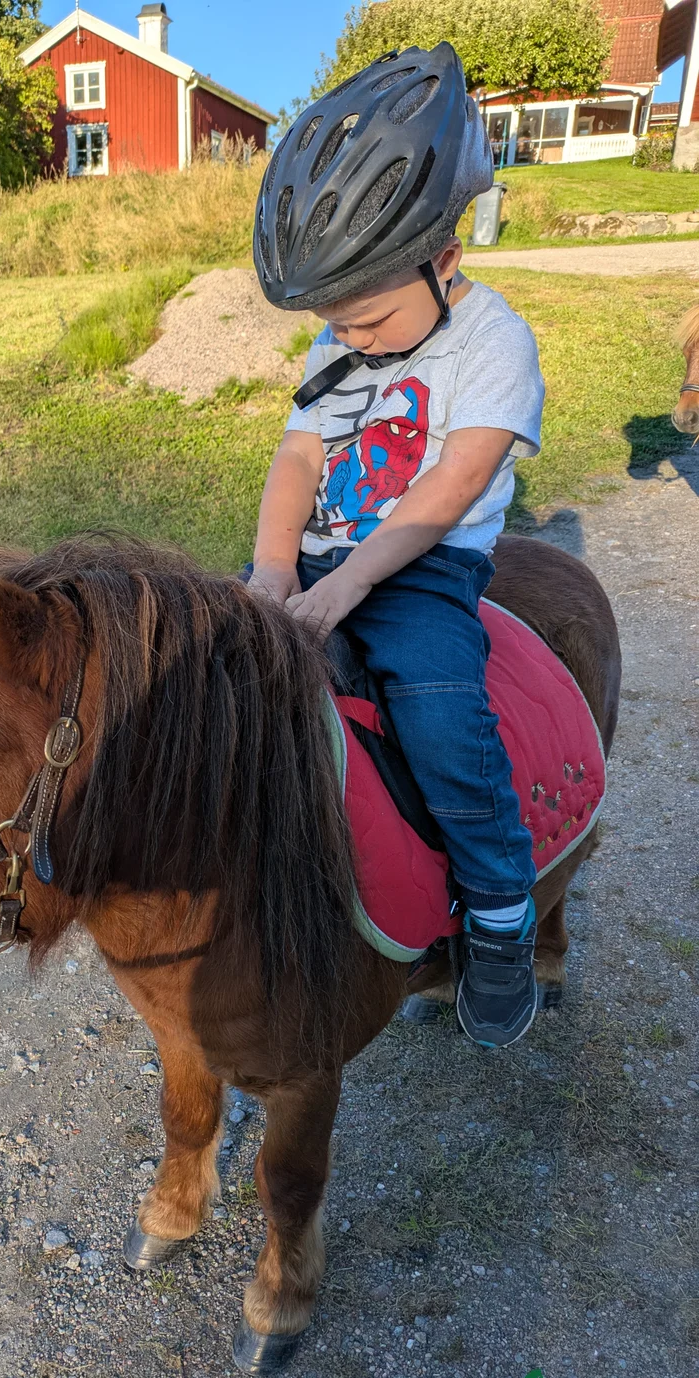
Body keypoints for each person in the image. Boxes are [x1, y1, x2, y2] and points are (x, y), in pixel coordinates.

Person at [249, 43, 545, 1048]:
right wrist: (274, 570)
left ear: (444, 260)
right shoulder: (335, 345)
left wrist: (341, 592)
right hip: (326, 563)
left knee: (439, 713)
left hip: (425, 569)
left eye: (369, 320)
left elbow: (449, 488)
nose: (353, 340)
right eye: (336, 324)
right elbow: (295, 465)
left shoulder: (493, 342)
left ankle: (501, 913)